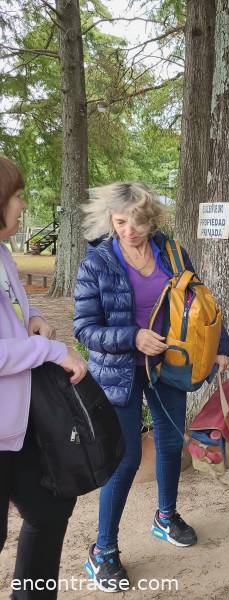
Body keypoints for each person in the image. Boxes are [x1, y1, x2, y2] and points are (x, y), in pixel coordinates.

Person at [72, 182, 229, 592]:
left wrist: (221, 345)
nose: (130, 230)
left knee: (170, 445)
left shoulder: (171, 251)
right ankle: (102, 551)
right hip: (120, 374)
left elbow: (201, 300)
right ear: (110, 218)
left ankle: (165, 517)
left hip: (170, 366)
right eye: (121, 221)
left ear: (151, 218)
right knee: (124, 461)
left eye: (138, 221)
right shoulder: (98, 263)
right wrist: (133, 337)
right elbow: (84, 329)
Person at [0, 156, 88, 599]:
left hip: (19, 424)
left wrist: (33, 318)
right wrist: (54, 350)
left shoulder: (2, 254)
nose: (21, 204)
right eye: (17, 196)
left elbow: (16, 309)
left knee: (51, 507)